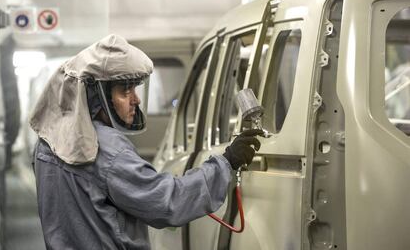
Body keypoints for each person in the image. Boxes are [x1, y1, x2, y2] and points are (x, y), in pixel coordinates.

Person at [30, 34, 262, 250]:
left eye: (135, 89)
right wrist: (226, 162)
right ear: (95, 96)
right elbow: (167, 201)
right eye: (125, 91)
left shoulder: (46, 144)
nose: (136, 99)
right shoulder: (108, 152)